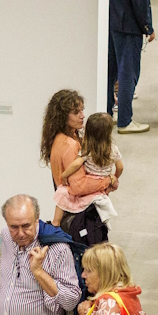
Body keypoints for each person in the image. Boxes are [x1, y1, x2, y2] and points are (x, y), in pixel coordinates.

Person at [42, 91, 114, 237]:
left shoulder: (63, 138)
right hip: (80, 217)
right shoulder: (69, 144)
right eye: (76, 112)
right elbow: (78, 186)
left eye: (82, 110)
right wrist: (108, 180)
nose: (82, 115)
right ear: (62, 116)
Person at [106, 0, 154, 133]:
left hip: (111, 21)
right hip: (128, 25)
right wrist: (148, 27)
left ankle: (107, 114)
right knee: (128, 72)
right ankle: (125, 120)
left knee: (111, 71)